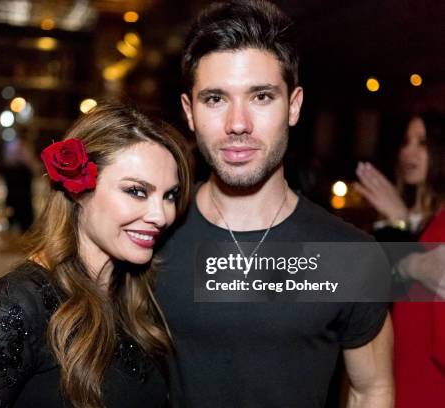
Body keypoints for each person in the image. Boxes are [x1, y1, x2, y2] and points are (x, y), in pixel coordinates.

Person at [155, 1, 393, 407]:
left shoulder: (348, 256)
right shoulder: (151, 232)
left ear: (294, 106)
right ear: (189, 112)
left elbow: (369, 389)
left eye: (261, 96)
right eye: (215, 99)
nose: (238, 123)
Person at [0, 102, 192, 408]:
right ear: (79, 189)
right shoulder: (15, 307)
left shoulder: (133, 295)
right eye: (137, 191)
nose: (161, 215)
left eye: (169, 195)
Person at [355, 112, 445, 407]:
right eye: (406, 141)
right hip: (394, 373)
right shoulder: (395, 218)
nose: (409, 151)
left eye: (422, 142)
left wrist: (403, 225)